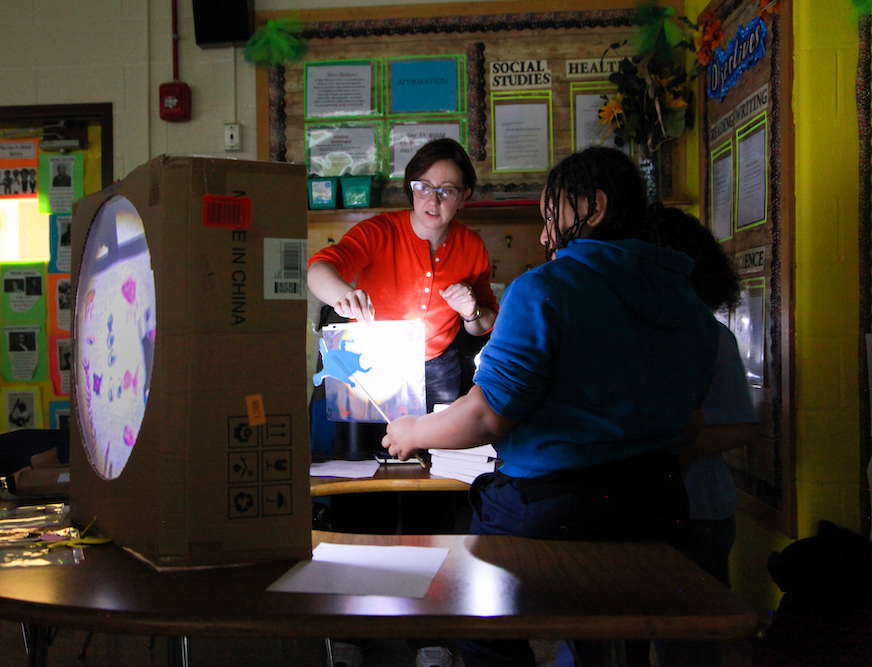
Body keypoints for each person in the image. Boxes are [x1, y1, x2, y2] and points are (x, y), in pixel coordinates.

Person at [382, 147, 721, 667]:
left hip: (548, 511)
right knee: (611, 637)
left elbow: (487, 414)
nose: (544, 236)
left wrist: (412, 431)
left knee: (474, 621)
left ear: (595, 206)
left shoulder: (544, 290)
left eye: (550, 217)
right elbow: (691, 422)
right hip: (659, 506)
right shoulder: (690, 303)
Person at [308, 137, 498, 667]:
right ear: (410, 188)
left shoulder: (473, 247)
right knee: (360, 492)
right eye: (423, 187)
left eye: (446, 190)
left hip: (436, 367)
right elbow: (319, 267)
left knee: (429, 497)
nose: (432, 200)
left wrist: (470, 313)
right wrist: (340, 295)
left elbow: (487, 325)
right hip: (368, 362)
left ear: (462, 198)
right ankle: (354, 628)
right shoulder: (377, 231)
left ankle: (429, 632)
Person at [649, 204, 759, 667]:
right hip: (647, 513)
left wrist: (680, 448)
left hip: (699, 515)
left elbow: (739, 425)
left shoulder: (714, 337)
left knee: (690, 645)